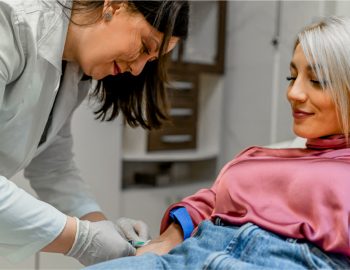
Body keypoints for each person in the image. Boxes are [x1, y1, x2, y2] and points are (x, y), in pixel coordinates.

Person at [86, 16, 350, 269]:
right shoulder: (261, 156)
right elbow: (213, 198)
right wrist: (170, 237)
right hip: (189, 255)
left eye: (317, 80)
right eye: (291, 77)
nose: (293, 93)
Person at [0, 0, 189, 266]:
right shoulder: (11, 21)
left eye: (151, 60)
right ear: (115, 5)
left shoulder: (73, 70)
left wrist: (98, 223)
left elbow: (52, 164)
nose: (137, 70)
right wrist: (82, 239)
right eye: (146, 47)